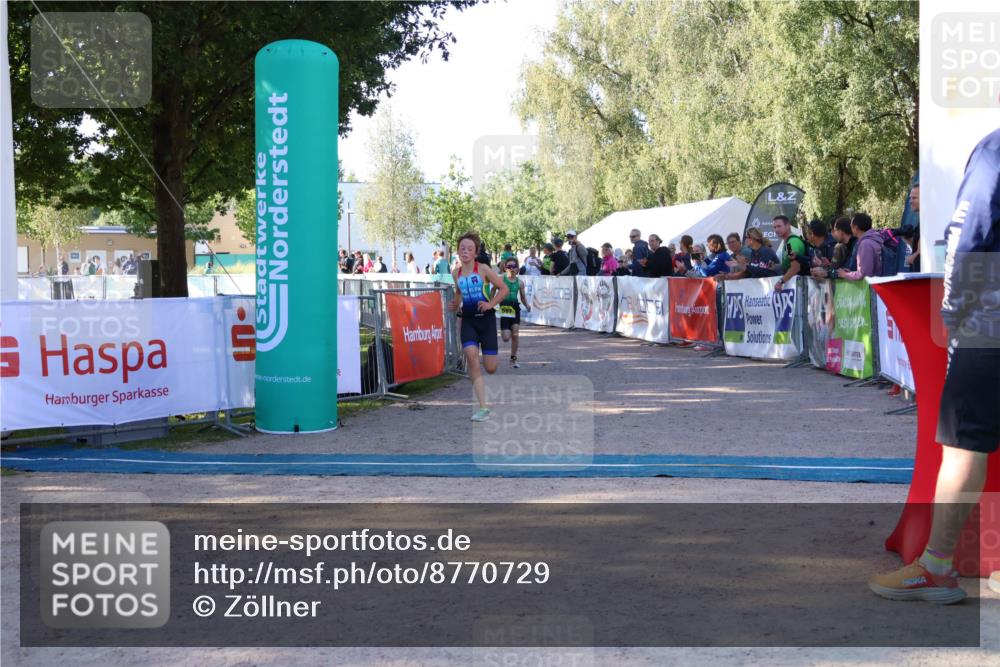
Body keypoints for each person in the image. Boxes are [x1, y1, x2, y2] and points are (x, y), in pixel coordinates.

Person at [869, 127, 1000, 604]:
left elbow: (969, 234)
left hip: (990, 323)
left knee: (963, 447)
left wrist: (953, 312)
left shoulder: (994, 149)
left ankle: (937, 568)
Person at [448, 231, 508, 422]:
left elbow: (504, 288)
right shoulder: (455, 272)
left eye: (469, 249)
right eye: (462, 248)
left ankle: (486, 375)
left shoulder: (482, 269)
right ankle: (483, 407)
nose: (465, 251)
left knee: (490, 368)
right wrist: (456, 304)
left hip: (487, 320)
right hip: (468, 320)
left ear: (475, 253)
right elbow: (459, 291)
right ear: (458, 251)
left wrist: (491, 304)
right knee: (472, 359)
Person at [499, 258, 531, 368]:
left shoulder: (520, 283)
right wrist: (490, 302)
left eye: (513, 266)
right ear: (505, 268)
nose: (511, 269)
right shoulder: (501, 280)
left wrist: (527, 305)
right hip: (505, 308)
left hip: (515, 308)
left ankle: (513, 359)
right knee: (506, 338)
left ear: (517, 269)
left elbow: (522, 297)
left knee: (515, 334)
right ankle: (505, 332)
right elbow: (493, 289)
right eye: (509, 267)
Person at [836, 213, 883, 281]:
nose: (850, 228)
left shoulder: (865, 244)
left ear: (856, 227)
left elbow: (864, 274)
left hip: (872, 287)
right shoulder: (874, 238)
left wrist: (845, 275)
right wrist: (851, 273)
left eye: (851, 226)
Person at [772, 215, 809, 292]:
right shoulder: (787, 242)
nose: (776, 230)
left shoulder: (791, 243)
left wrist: (781, 281)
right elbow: (788, 264)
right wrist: (776, 267)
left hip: (799, 288)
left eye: (779, 226)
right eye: (774, 227)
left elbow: (795, 267)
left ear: (788, 225)